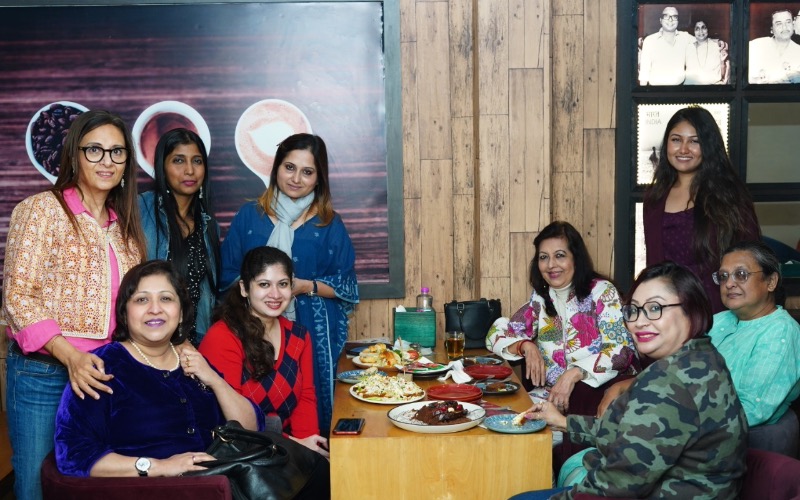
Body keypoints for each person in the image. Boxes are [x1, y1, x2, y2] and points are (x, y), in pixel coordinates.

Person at [511, 262, 748, 499]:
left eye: (655, 308)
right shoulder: (705, 357)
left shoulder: (667, 381)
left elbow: (616, 485)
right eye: (633, 310)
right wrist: (563, 422)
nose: (639, 322)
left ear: (691, 310)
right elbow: (636, 433)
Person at [2, 110, 144, 500]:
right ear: (74, 155)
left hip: (104, 376)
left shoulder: (124, 226)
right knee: (36, 482)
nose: (107, 161)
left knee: (93, 484)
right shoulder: (41, 210)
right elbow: (18, 296)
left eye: (117, 152)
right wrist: (71, 357)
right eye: (94, 150)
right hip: (43, 373)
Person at [54, 260, 263, 478]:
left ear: (180, 314)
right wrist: (159, 466)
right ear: (124, 313)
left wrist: (214, 380)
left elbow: (251, 429)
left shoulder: (193, 361)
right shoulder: (101, 367)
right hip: (145, 490)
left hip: (216, 486)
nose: (155, 309)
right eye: (142, 300)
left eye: (166, 298)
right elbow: (74, 454)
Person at [220, 133, 359, 434]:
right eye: (289, 167)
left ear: (319, 178)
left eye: (307, 172)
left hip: (313, 330)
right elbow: (227, 274)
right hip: (253, 332)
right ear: (276, 169)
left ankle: (314, 456)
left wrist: (305, 286)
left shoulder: (328, 223)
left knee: (311, 406)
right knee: (255, 405)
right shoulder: (249, 216)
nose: (296, 179)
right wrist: (267, 290)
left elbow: (347, 285)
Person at [486, 221, 637, 417]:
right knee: (497, 417)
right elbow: (495, 333)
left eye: (559, 255)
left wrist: (574, 373)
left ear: (576, 258)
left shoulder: (602, 292)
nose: (551, 265)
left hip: (600, 401)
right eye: (543, 257)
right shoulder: (541, 298)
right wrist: (525, 345)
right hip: (551, 399)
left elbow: (622, 349)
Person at [200, 246, 329, 458]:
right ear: (244, 288)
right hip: (238, 454)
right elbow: (230, 421)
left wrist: (309, 450)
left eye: (283, 284)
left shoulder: (298, 336)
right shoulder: (222, 337)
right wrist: (296, 445)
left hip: (284, 451)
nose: (275, 294)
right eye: (264, 284)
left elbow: (305, 399)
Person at [643, 106, 760, 313]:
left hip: (719, 311)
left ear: (708, 146)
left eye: (694, 141)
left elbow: (752, 258)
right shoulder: (655, 198)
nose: (683, 149)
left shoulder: (730, 196)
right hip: (669, 310)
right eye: (676, 140)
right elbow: (654, 263)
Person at [139, 128, 220, 346]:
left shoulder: (209, 226)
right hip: (149, 339)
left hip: (194, 344)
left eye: (197, 161)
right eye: (178, 160)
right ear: (162, 167)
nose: (190, 170)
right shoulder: (140, 209)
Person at [638, 6, 695, 85]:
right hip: (656, 90)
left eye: (674, 17)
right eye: (666, 16)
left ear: (678, 21)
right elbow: (644, 73)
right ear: (660, 20)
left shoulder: (685, 37)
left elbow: (703, 40)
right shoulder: (650, 40)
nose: (670, 20)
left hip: (680, 89)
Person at [749, 9, 800, 84]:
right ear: (771, 29)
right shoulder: (755, 46)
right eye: (779, 24)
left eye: (788, 22)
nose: (785, 27)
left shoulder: (798, 51)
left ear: (793, 25)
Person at [684, 20, 726, 84]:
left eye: (703, 28)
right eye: (697, 29)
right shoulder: (688, 48)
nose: (701, 31)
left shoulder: (717, 47)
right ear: (694, 31)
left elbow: (722, 74)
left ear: (707, 29)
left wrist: (722, 61)